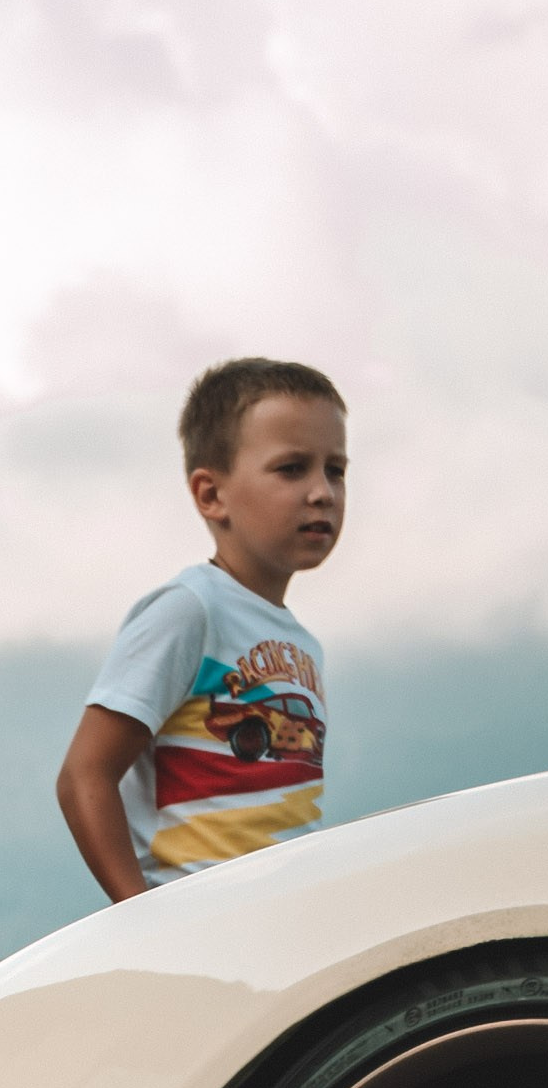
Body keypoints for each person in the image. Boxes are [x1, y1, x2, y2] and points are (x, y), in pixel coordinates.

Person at [56, 356, 345, 902]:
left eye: (336, 469)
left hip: (286, 918)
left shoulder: (306, 646)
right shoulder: (189, 610)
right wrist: (142, 914)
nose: (322, 492)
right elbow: (84, 775)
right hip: (201, 920)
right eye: (291, 468)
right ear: (212, 495)